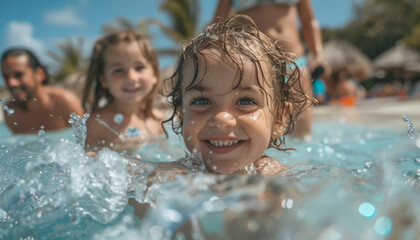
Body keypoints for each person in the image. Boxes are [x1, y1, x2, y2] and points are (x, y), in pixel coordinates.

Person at [163, 15, 315, 176]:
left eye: (245, 100)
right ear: (181, 116)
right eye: (201, 100)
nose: (221, 119)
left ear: (279, 119)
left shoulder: (284, 183)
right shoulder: (169, 178)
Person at [213, 0, 330, 138]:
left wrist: (319, 55)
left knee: (302, 131)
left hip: (292, 60)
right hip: (250, 63)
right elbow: (218, 24)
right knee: (252, 127)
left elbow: (309, 21)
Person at [82, 31, 164, 153]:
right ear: (104, 79)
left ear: (154, 74)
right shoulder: (98, 123)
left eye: (139, 67)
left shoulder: (158, 119)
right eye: (119, 70)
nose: (131, 77)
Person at [1, 48, 84, 134]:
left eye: (19, 75)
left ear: (39, 74)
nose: (11, 83)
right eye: (6, 77)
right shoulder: (11, 113)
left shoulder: (64, 103)